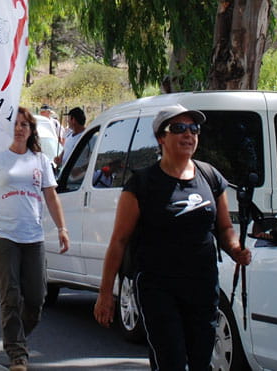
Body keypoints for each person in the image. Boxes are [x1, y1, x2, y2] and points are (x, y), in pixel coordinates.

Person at [92, 104, 252, 370]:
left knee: (201, 361)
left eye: (194, 128)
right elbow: (119, 241)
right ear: (161, 138)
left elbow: (224, 228)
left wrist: (236, 249)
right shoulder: (142, 184)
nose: (188, 134)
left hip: (202, 286)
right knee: (171, 361)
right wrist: (106, 293)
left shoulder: (210, 176)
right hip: (158, 289)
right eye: (178, 128)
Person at [0, 107, 70, 371]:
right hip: (3, 236)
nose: (19, 129)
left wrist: (62, 228)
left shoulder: (40, 160)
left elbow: (51, 196)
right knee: (11, 295)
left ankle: (16, 337)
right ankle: (17, 353)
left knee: (36, 298)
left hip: (33, 237)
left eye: (24, 124)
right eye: (15, 124)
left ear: (31, 130)